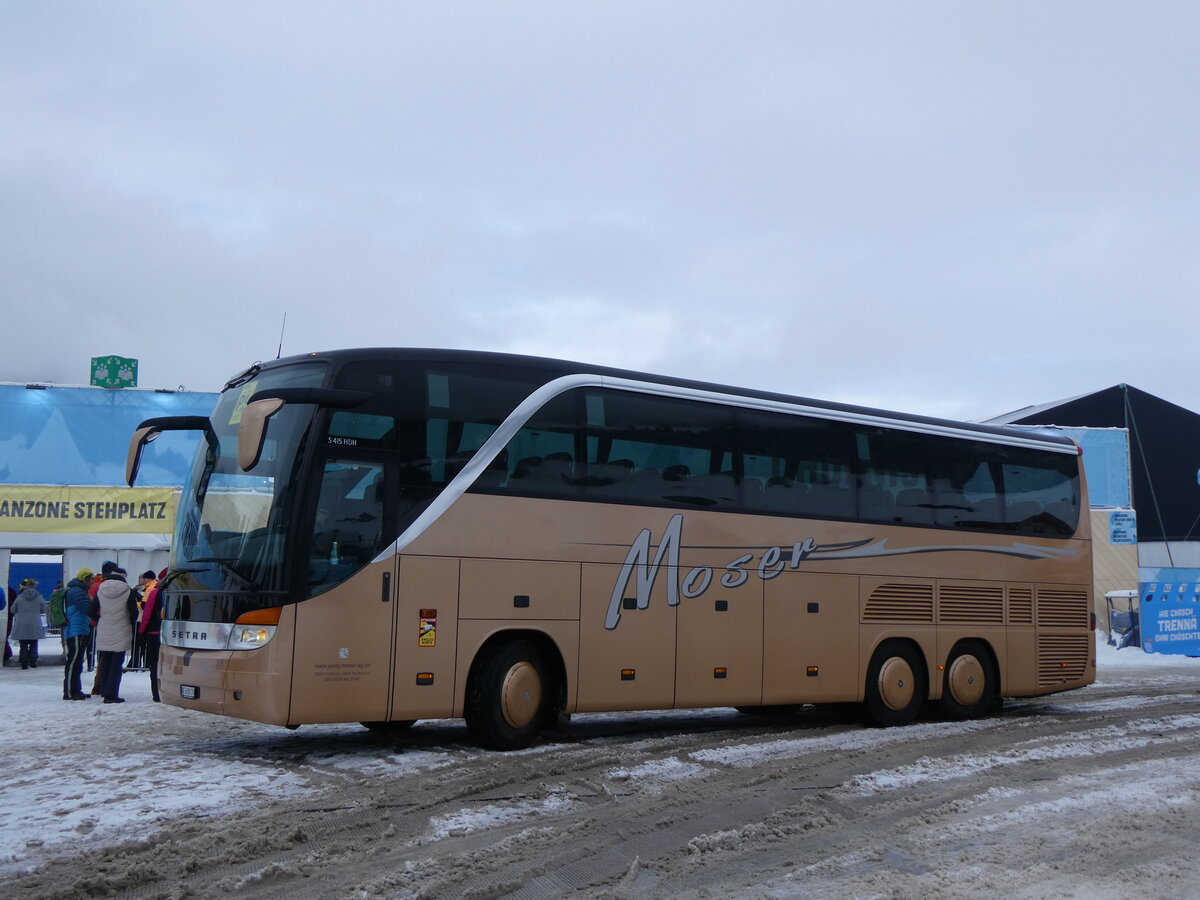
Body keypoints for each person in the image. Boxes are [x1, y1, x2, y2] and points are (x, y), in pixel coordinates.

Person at [92, 567, 138, 703]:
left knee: (105, 662)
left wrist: (101, 619)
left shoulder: (101, 589)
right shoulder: (127, 590)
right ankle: (111, 694)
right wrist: (129, 622)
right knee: (116, 664)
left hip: (104, 628)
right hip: (121, 629)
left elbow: (91, 610)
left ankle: (104, 690)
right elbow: (133, 611)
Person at [62, 568, 94, 700]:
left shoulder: (78, 590)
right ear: (85, 579)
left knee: (78, 661)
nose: (92, 581)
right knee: (74, 660)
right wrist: (94, 603)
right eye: (91, 579)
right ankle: (69, 692)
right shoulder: (77, 592)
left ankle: (76, 690)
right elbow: (86, 609)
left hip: (79, 628)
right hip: (75, 629)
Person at [138, 568, 167, 702]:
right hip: (169, 634)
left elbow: (147, 613)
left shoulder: (155, 592)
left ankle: (156, 693)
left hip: (154, 632)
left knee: (154, 663)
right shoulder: (177, 592)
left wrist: (142, 631)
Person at [10, 578, 47, 669]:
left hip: (22, 624)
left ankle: (24, 663)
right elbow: (44, 609)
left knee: (23, 644)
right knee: (34, 643)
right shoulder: (39, 597)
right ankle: (33, 661)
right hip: (35, 624)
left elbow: (12, 610)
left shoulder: (20, 597)